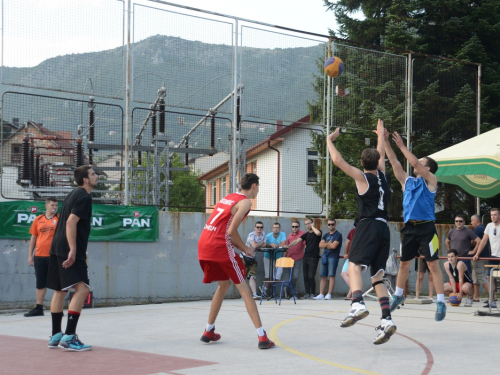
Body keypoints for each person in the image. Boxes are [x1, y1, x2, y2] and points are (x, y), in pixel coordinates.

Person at [327, 119, 396, 345]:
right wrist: (380, 135)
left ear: (361, 162)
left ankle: (357, 303)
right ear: (377, 163)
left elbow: (337, 160)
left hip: (367, 226)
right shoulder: (383, 177)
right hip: (384, 229)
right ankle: (386, 319)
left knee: (354, 266)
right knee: (377, 275)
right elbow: (381, 156)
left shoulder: (362, 177)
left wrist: (329, 139)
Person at [198, 173, 274, 349]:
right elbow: (231, 232)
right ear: (254, 186)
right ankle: (262, 337)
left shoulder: (229, 197)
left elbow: (223, 230)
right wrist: (246, 248)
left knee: (223, 285)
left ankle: (208, 330)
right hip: (219, 247)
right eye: (258, 187)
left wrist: (240, 247)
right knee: (245, 289)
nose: (258, 191)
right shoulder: (246, 202)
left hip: (204, 245)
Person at [385, 128, 447, 321]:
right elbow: (395, 162)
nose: (416, 163)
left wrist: (402, 145)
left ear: (427, 168)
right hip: (410, 228)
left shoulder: (431, 181)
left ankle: (441, 302)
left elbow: (412, 161)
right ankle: (398, 295)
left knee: (433, 265)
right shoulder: (407, 181)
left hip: (427, 228)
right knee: (404, 263)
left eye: (421, 162)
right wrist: (385, 141)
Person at [46, 165, 98, 351]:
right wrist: (74, 249)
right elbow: (70, 222)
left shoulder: (72, 194)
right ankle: (69, 337)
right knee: (82, 289)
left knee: (60, 290)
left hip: (57, 246)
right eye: (93, 174)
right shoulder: (84, 196)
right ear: (85, 179)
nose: (96, 176)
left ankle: (56, 335)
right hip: (68, 247)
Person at [24, 197, 59, 317]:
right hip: (39, 256)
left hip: (54, 256)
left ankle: (57, 308)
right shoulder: (38, 219)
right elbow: (33, 237)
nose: (54, 207)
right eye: (52, 205)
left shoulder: (59, 219)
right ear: (47, 206)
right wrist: (30, 256)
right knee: (40, 283)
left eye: (56, 205)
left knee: (57, 283)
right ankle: (39, 308)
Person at [286, 217, 322, 300]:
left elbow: (318, 234)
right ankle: (307, 293)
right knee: (305, 276)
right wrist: (288, 245)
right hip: (306, 257)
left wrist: (313, 227)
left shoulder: (318, 232)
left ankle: (312, 293)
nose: (307, 225)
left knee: (310, 276)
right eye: (306, 224)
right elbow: (297, 241)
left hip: (314, 257)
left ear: (312, 223)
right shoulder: (305, 234)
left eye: (309, 223)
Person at [473, 208, 500, 308]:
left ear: (499, 216)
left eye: (495, 215)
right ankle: (492, 300)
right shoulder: (489, 226)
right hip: (493, 256)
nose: (493, 216)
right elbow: (484, 241)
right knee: (489, 277)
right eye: (492, 215)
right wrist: (477, 254)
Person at [315, 218, 343, 300]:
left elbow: (334, 246)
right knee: (323, 276)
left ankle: (329, 294)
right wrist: (329, 244)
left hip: (333, 257)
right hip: (325, 256)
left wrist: (326, 244)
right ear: (327, 225)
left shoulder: (338, 235)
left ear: (335, 224)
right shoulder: (326, 235)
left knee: (331, 275)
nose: (331, 226)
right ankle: (321, 294)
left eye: (332, 224)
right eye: (329, 224)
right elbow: (320, 245)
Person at [262, 222, 287, 297]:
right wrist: (270, 244)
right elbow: (264, 244)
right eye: (274, 227)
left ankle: (265, 288)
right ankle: (269, 292)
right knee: (269, 275)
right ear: (272, 228)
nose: (276, 229)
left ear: (279, 228)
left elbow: (283, 244)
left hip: (278, 257)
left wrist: (275, 245)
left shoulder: (282, 234)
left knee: (278, 275)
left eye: (277, 227)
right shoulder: (268, 235)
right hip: (268, 256)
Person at [470, 214, 490, 303]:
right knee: (476, 276)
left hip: (478, 256)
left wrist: (473, 251)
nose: (471, 223)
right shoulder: (485, 228)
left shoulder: (478, 229)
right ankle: (476, 296)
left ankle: (492, 295)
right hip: (485, 255)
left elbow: (475, 242)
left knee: (481, 276)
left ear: (477, 221)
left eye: (472, 220)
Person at [243, 222, 266, 299]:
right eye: (258, 227)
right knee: (242, 277)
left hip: (253, 259)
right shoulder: (251, 235)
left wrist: (258, 244)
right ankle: (243, 295)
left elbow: (265, 245)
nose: (259, 229)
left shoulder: (263, 234)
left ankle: (254, 294)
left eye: (261, 227)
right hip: (244, 257)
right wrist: (261, 243)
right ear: (255, 227)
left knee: (252, 276)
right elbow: (254, 245)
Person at [283, 220, 306, 297]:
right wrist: (284, 257)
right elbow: (287, 247)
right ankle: (294, 293)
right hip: (289, 258)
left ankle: (288, 289)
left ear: (299, 227)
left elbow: (305, 243)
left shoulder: (302, 234)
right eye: (293, 226)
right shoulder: (289, 236)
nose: (295, 228)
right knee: (291, 277)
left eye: (296, 226)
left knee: (295, 277)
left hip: (298, 258)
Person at [341, 228, 355, 300]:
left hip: (357, 256)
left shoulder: (365, 232)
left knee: (352, 274)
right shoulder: (353, 231)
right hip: (350, 256)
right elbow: (347, 242)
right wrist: (346, 253)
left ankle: (354, 292)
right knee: (345, 273)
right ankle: (353, 292)